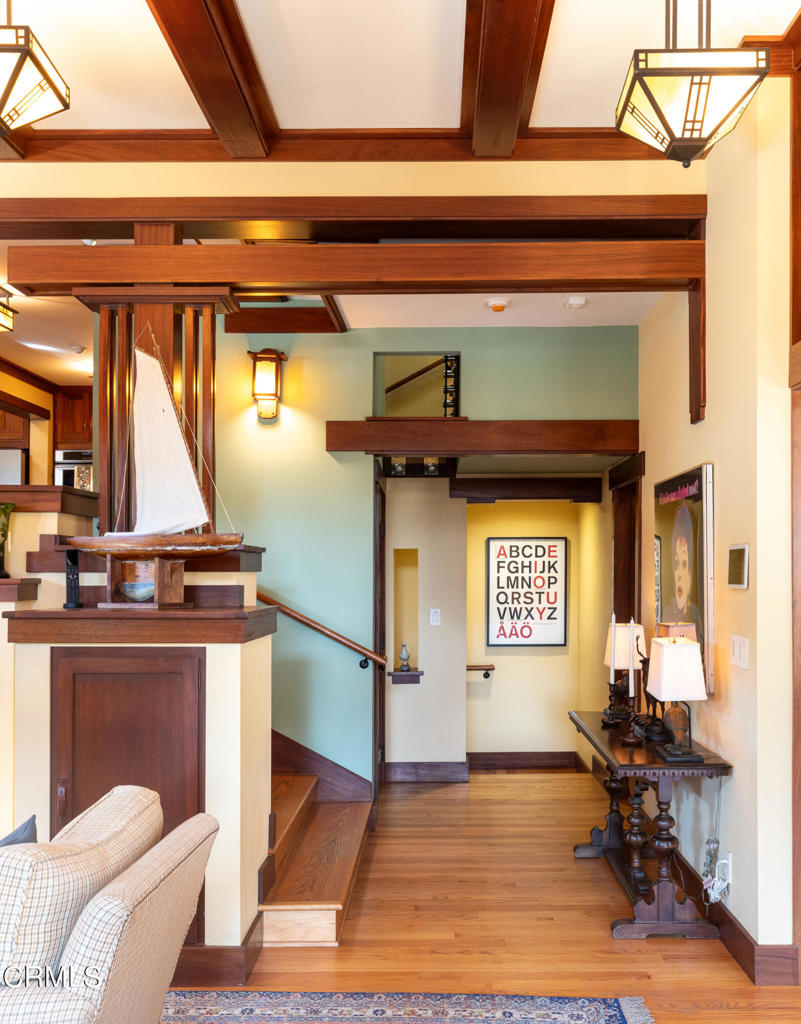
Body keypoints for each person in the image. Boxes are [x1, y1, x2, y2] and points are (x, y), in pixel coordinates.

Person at [661, 502, 703, 645]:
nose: (679, 573)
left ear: (690, 574)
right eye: (676, 563)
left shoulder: (695, 613)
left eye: (684, 564)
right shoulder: (667, 612)